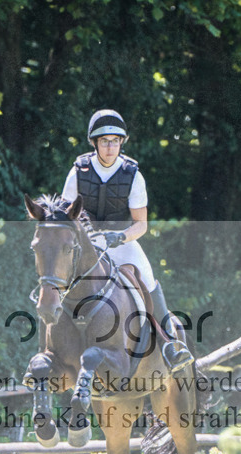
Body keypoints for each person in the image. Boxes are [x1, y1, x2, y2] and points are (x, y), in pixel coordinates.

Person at [61, 109, 193, 372]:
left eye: (115, 141)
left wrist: (120, 236)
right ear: (94, 143)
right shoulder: (77, 172)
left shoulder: (133, 175)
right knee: (56, 275)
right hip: (86, 244)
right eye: (104, 141)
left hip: (122, 242)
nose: (110, 147)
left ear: (122, 142)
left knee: (148, 276)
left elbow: (141, 224)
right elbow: (65, 218)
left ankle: (170, 343)